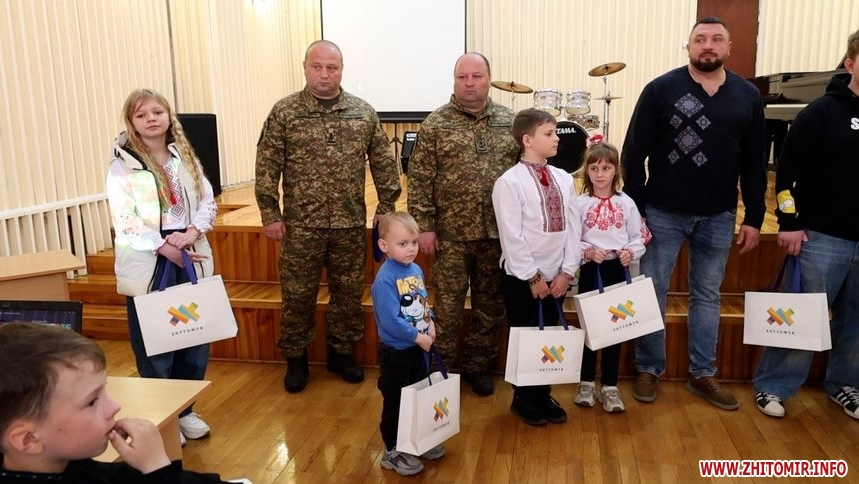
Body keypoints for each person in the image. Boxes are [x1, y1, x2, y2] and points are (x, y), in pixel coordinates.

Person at [621, 17, 768, 410]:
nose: (708, 45)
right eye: (700, 39)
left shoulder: (747, 95)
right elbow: (633, 153)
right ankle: (648, 368)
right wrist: (636, 209)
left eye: (717, 39)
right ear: (688, 47)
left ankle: (703, 373)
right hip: (662, 211)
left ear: (729, 47)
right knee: (652, 289)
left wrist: (755, 215)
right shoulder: (661, 89)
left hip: (719, 214)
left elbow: (755, 161)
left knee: (707, 294)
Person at [255, 40, 402, 393]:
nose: (324, 74)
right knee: (297, 295)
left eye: (331, 67)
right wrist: (270, 213)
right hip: (300, 225)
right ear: (305, 67)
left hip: (349, 224)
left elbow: (384, 163)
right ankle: (296, 359)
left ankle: (342, 353)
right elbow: (267, 165)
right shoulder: (285, 112)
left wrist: (386, 207)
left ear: (341, 70)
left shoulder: (362, 112)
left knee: (348, 295)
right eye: (317, 66)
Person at [751, 29, 859, 420]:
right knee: (801, 319)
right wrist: (788, 221)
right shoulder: (820, 113)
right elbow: (786, 174)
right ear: (850, 63)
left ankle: (845, 385)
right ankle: (774, 385)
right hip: (822, 236)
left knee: (856, 321)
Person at [0, 322, 251, 483]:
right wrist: (158, 469)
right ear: (28, 439)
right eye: (92, 402)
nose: (115, 407)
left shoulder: (68, 464)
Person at [106, 88, 218, 442]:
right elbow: (125, 219)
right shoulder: (122, 165)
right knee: (156, 344)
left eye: (157, 112)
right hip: (150, 261)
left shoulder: (184, 157)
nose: (150, 119)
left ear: (169, 117)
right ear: (131, 122)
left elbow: (207, 200)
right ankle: (163, 416)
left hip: (189, 251)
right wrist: (162, 247)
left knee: (193, 339)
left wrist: (194, 231)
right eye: (141, 115)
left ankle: (185, 410)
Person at [408, 52, 520, 396]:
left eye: (476, 76)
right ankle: (440, 368)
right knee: (448, 309)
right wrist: (424, 226)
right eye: (463, 77)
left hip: (497, 235)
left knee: (490, 307)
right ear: (455, 80)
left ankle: (477, 366)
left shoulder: (510, 122)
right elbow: (420, 179)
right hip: (450, 236)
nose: (469, 83)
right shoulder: (436, 124)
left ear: (489, 79)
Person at [492, 108, 581, 425]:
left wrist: (567, 272)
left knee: (548, 337)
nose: (557, 138)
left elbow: (574, 228)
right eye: (549, 133)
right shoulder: (509, 182)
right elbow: (511, 236)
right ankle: (523, 398)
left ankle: (543, 394)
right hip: (523, 278)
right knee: (525, 335)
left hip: (557, 276)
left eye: (555, 132)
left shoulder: (563, 178)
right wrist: (532, 278)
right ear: (527, 140)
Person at [573, 135, 646, 414]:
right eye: (594, 168)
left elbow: (638, 237)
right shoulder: (580, 204)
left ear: (616, 170)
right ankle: (586, 382)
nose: (600, 174)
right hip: (592, 270)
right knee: (590, 327)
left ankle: (610, 385)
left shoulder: (626, 203)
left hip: (618, 270)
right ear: (586, 171)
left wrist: (630, 252)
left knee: (615, 327)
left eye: (606, 168)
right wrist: (588, 251)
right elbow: (572, 240)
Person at [370, 212, 445, 476]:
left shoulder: (415, 270)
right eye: (403, 244)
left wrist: (430, 321)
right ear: (384, 245)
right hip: (397, 353)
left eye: (414, 242)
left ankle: (416, 438)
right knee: (396, 401)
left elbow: (421, 302)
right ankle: (393, 451)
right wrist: (417, 337)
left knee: (418, 394)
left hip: (418, 348)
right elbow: (391, 321)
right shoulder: (385, 279)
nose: (411, 249)